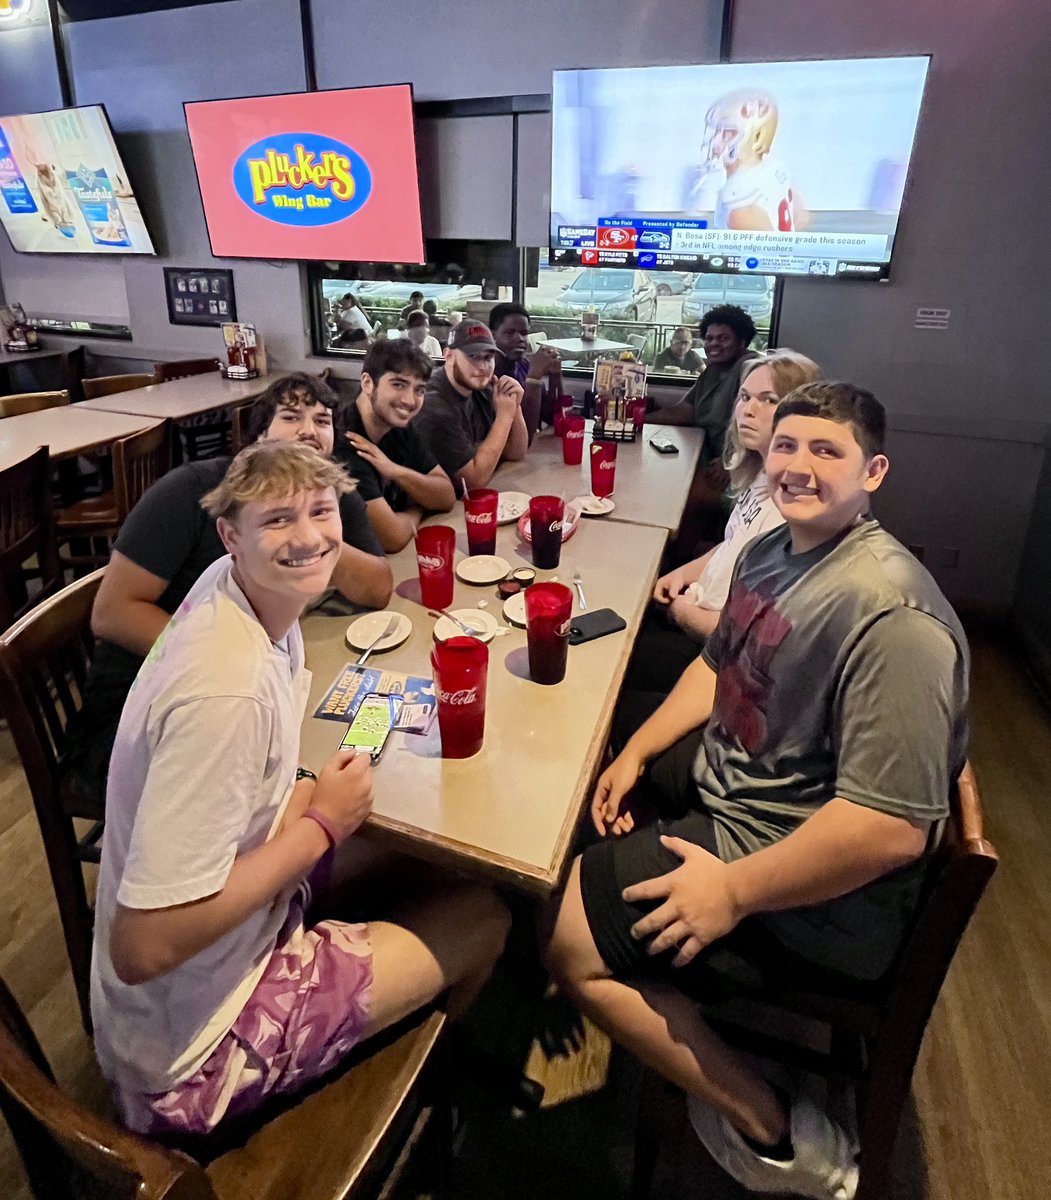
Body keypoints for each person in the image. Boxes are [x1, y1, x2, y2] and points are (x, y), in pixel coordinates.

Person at [546, 382, 969, 1200]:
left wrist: (732, 892)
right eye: (786, 446)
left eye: (826, 451)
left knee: (565, 942)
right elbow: (717, 667)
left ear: (872, 471)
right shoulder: (774, 550)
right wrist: (636, 751)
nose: (798, 467)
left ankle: (775, 1131)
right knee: (586, 759)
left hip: (814, 884)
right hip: (742, 782)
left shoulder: (892, 617)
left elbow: (889, 831)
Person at [90, 441, 509, 1137]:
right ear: (231, 534)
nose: (310, 536)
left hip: (219, 953)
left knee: (429, 859)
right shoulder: (226, 692)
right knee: (486, 916)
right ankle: (412, 1101)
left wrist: (309, 792)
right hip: (189, 1057)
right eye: (277, 520)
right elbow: (143, 948)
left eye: (320, 511)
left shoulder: (238, 595)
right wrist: (319, 826)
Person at [65, 373, 393, 813]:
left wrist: (315, 531)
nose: (309, 431)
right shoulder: (189, 491)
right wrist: (230, 665)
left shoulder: (327, 492)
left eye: (322, 421)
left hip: (247, 694)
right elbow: (111, 613)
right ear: (256, 436)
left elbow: (378, 587)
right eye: (291, 417)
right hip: (137, 718)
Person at [621, 351, 820, 731]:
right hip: (702, 614)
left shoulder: (790, 510)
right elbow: (732, 542)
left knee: (617, 660)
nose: (748, 410)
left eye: (769, 400)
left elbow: (760, 643)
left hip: (725, 660)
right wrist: (684, 572)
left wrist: (682, 612)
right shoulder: (763, 474)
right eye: (744, 397)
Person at [336, 339, 456, 552]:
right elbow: (392, 538)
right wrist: (418, 508)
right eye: (398, 385)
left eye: (419, 390)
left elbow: (446, 496)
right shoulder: (344, 444)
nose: (410, 400)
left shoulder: (399, 427)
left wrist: (394, 471)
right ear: (367, 383)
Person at [415, 320, 527, 491]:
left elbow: (516, 453)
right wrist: (505, 416)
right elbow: (473, 482)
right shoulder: (433, 406)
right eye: (472, 356)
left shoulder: (480, 388)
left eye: (488, 357)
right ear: (449, 356)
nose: (483, 367)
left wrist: (514, 405)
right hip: (427, 511)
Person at [648, 304, 758, 464]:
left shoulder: (750, 368)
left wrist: (731, 460)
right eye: (710, 338)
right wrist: (639, 420)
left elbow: (758, 424)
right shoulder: (713, 370)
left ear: (742, 342)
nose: (714, 344)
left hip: (729, 463)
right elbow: (685, 410)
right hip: (704, 450)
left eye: (724, 338)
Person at [488, 301, 562, 442]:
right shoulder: (488, 376)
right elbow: (523, 437)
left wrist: (555, 375)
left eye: (524, 333)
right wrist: (534, 376)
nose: (519, 339)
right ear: (493, 336)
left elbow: (552, 417)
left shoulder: (524, 365)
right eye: (509, 333)